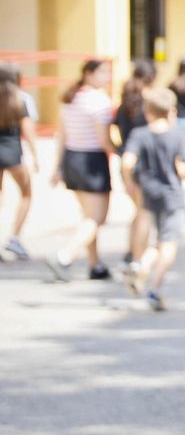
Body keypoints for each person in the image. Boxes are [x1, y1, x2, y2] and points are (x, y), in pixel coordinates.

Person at [121, 88, 185, 311]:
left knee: (155, 240)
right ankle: (156, 287)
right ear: (170, 111)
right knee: (168, 242)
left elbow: (127, 162)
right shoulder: (177, 134)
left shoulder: (140, 134)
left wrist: (129, 182)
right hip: (172, 195)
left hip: (149, 193)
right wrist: (184, 171)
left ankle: (141, 265)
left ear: (148, 111)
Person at [44, 59, 116, 282]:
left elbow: (62, 136)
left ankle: (95, 265)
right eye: (102, 73)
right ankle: (65, 256)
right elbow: (104, 139)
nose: (107, 78)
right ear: (89, 74)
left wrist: (58, 166)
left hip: (73, 159)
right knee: (97, 218)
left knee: (88, 216)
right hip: (92, 160)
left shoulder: (71, 99)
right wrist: (121, 152)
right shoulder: (99, 101)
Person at [113, 59, 156, 270]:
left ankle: (133, 251)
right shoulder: (148, 106)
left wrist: (117, 151)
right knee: (144, 213)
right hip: (143, 165)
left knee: (139, 211)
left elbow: (113, 131)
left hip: (126, 163)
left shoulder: (124, 104)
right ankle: (137, 257)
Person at [0, 63, 39, 262]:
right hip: (12, 153)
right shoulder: (20, 100)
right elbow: (29, 131)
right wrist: (35, 155)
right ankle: (14, 237)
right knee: (26, 193)